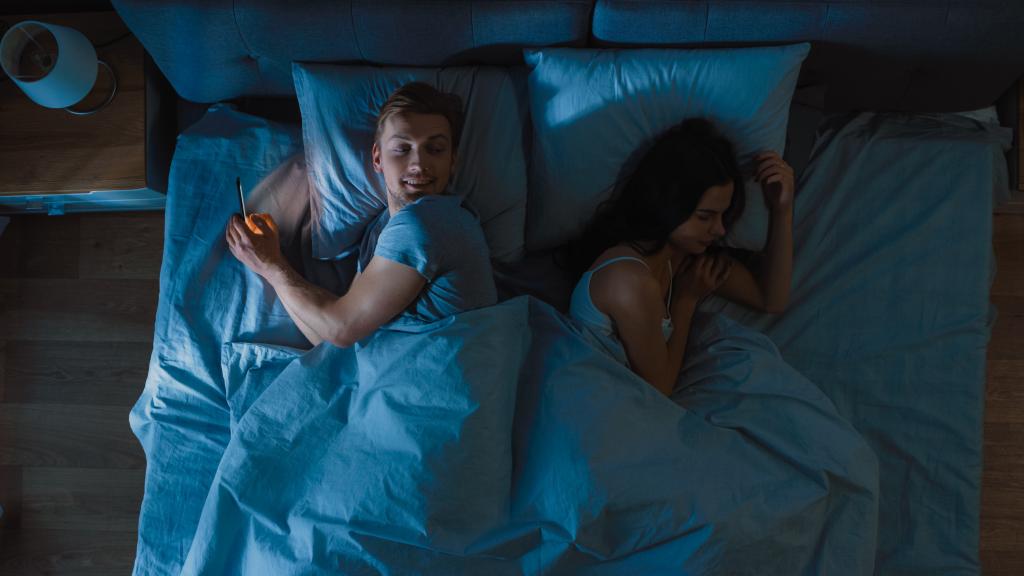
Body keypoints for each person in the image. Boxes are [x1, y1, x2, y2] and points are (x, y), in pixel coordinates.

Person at [226, 82, 496, 347]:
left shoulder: (427, 221)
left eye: (435, 150)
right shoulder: (380, 229)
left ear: (452, 161)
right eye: (402, 149)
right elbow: (329, 336)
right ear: (377, 158)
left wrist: (271, 265)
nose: (419, 164)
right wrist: (268, 262)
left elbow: (341, 329)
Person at [567, 118, 794, 396]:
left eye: (723, 215)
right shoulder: (628, 280)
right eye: (705, 217)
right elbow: (659, 389)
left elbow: (771, 299)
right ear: (667, 205)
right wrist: (685, 302)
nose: (720, 229)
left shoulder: (684, 259)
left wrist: (782, 209)